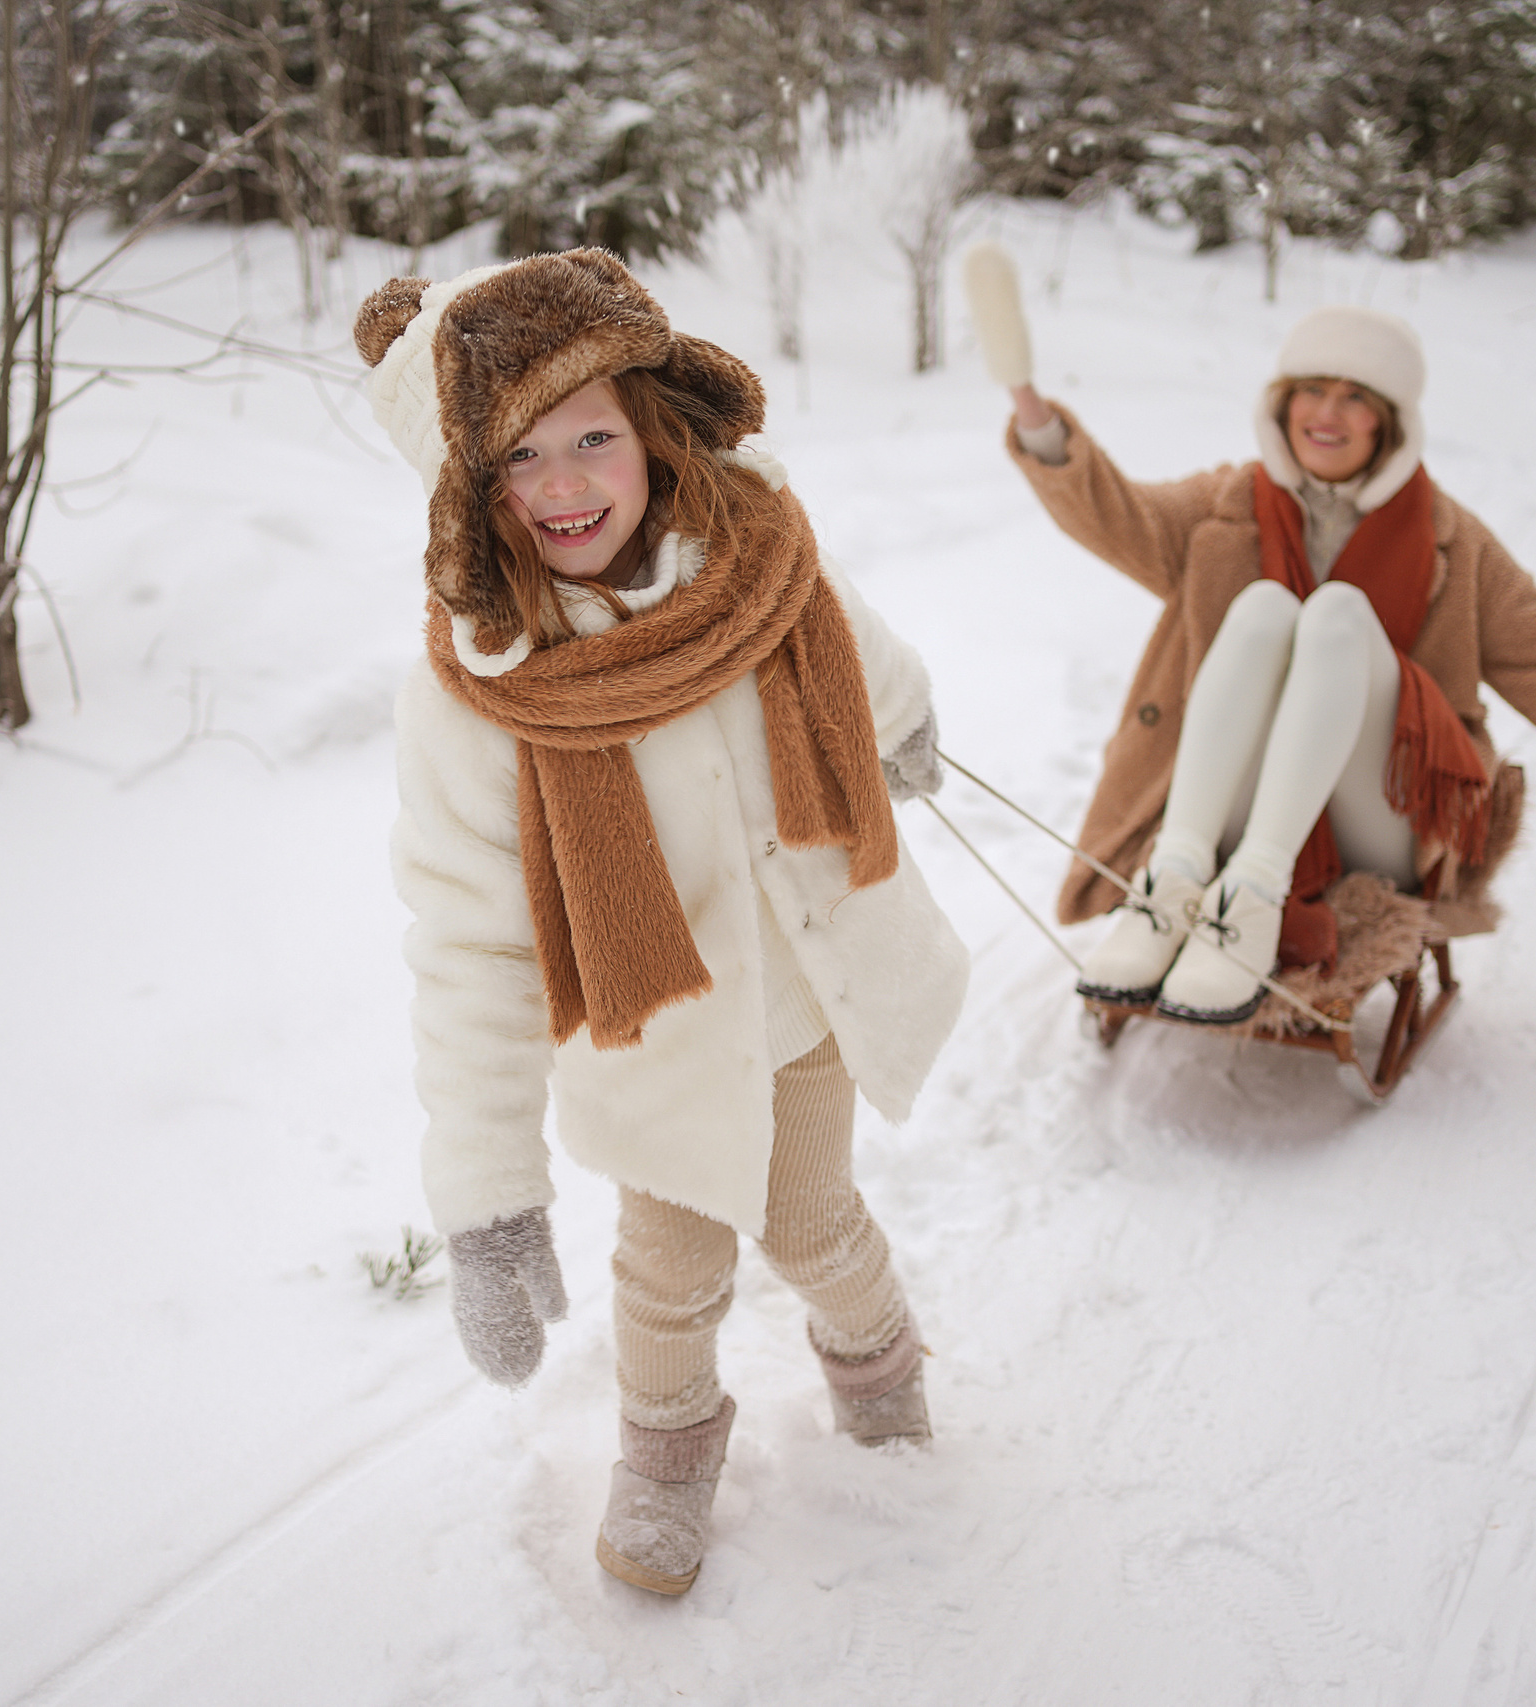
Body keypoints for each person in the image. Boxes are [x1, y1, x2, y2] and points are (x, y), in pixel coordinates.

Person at [357, 249, 969, 1597]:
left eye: (593, 436)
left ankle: (881, 1363)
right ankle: (666, 1452)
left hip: (809, 993)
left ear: (652, 429)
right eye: (520, 457)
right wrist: (490, 1202)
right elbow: (471, 948)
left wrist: (906, 716)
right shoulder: (474, 694)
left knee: (814, 1221)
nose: (567, 483)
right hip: (657, 1032)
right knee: (669, 1261)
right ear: (471, 488)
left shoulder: (755, 557)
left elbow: (846, 634)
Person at [961, 248, 1536, 1021]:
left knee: (1339, 615)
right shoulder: (1224, 508)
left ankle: (1252, 901)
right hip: (1231, 804)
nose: (1327, 413)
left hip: (1373, 824)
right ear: (1281, 402)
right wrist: (1031, 409)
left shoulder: (1454, 543)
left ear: (1387, 423)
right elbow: (1119, 516)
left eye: (1355, 396)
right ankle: (1173, 882)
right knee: (1266, 610)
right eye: (1311, 389)